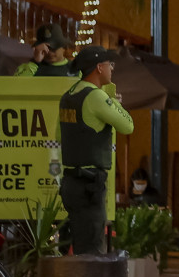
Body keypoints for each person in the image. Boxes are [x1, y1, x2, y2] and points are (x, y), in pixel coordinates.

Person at [57, 46, 135, 255]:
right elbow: (128, 126)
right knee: (91, 250)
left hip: (71, 183)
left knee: (76, 244)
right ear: (99, 68)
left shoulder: (69, 96)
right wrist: (116, 104)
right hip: (89, 185)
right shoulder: (96, 97)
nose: (112, 69)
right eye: (110, 65)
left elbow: (60, 134)